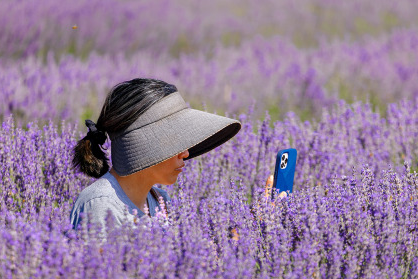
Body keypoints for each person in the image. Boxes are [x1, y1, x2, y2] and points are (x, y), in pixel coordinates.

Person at [70, 78, 286, 234]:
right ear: (145, 144)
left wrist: (257, 221)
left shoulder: (158, 199)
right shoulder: (100, 205)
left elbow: (195, 259)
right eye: (175, 142)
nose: (186, 152)